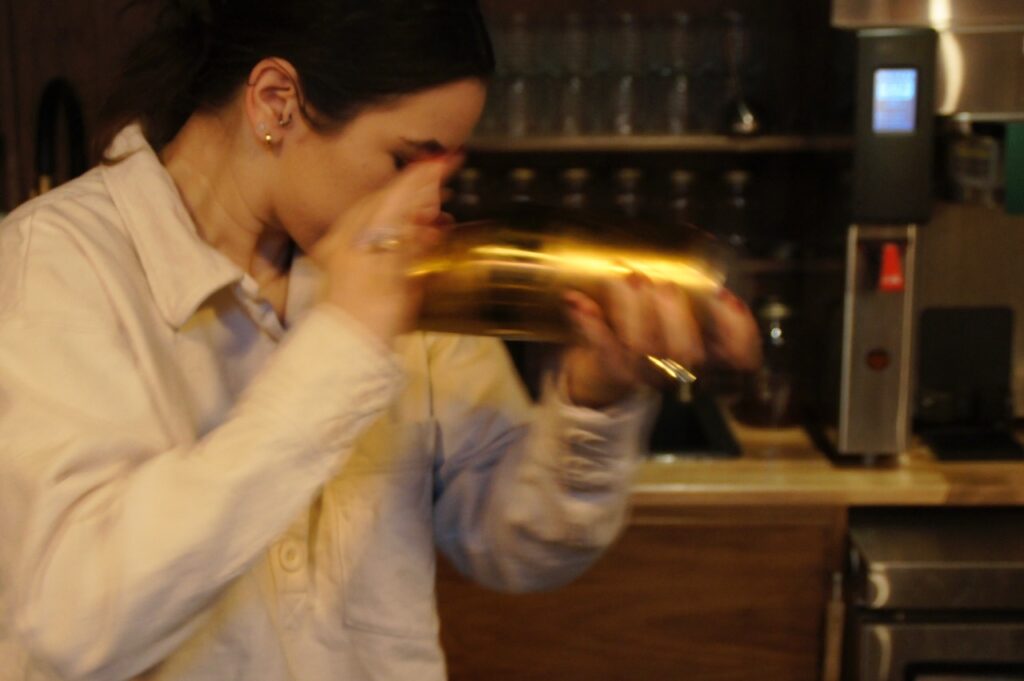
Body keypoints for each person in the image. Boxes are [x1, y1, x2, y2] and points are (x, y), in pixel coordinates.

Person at [0, 1, 760, 679]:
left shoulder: (397, 270)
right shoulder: (54, 264)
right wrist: (346, 344)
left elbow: (517, 543)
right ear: (276, 102)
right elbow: (76, 622)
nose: (426, 202)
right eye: (405, 160)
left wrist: (599, 393)